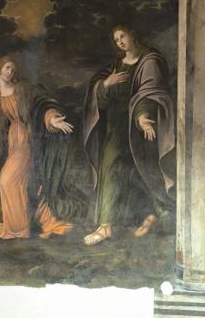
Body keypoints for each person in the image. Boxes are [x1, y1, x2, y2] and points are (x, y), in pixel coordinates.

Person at [0, 55, 83, 239]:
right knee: (20, 182)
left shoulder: (23, 89)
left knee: (8, 180)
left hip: (26, 138)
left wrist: (52, 119)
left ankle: (18, 228)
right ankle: (19, 224)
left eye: (13, 69)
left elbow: (41, 106)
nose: (10, 72)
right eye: (7, 67)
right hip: (11, 141)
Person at [83, 25, 175, 245]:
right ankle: (108, 225)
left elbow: (150, 92)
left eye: (122, 36)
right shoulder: (116, 66)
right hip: (115, 127)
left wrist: (142, 117)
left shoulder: (150, 61)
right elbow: (99, 98)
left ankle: (149, 217)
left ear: (133, 34)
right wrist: (105, 85)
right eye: (116, 40)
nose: (120, 42)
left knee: (141, 171)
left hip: (139, 129)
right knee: (112, 169)